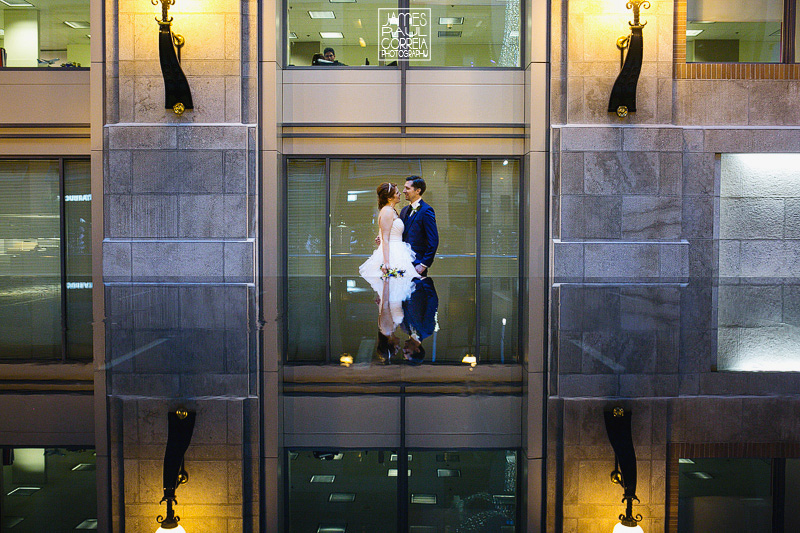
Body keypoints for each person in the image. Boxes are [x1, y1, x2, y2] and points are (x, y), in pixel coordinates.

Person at [359, 182, 421, 301]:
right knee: (395, 286)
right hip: (392, 253)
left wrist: (380, 236)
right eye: (397, 193)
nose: (400, 194)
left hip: (398, 250)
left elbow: (384, 231)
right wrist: (387, 262)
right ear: (389, 197)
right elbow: (386, 237)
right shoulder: (387, 211)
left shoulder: (391, 210)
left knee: (399, 288)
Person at [399, 176, 439, 276]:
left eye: (407, 188)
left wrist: (423, 264)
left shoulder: (426, 211)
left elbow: (433, 240)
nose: (404, 191)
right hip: (401, 263)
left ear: (418, 191)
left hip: (417, 265)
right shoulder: (404, 210)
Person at [400, 276, 439, 365]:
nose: (403, 349)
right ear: (417, 350)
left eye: (404, 352)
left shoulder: (404, 329)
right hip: (417, 281)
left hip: (402, 282)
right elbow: (432, 304)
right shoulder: (426, 330)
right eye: (407, 352)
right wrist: (424, 281)